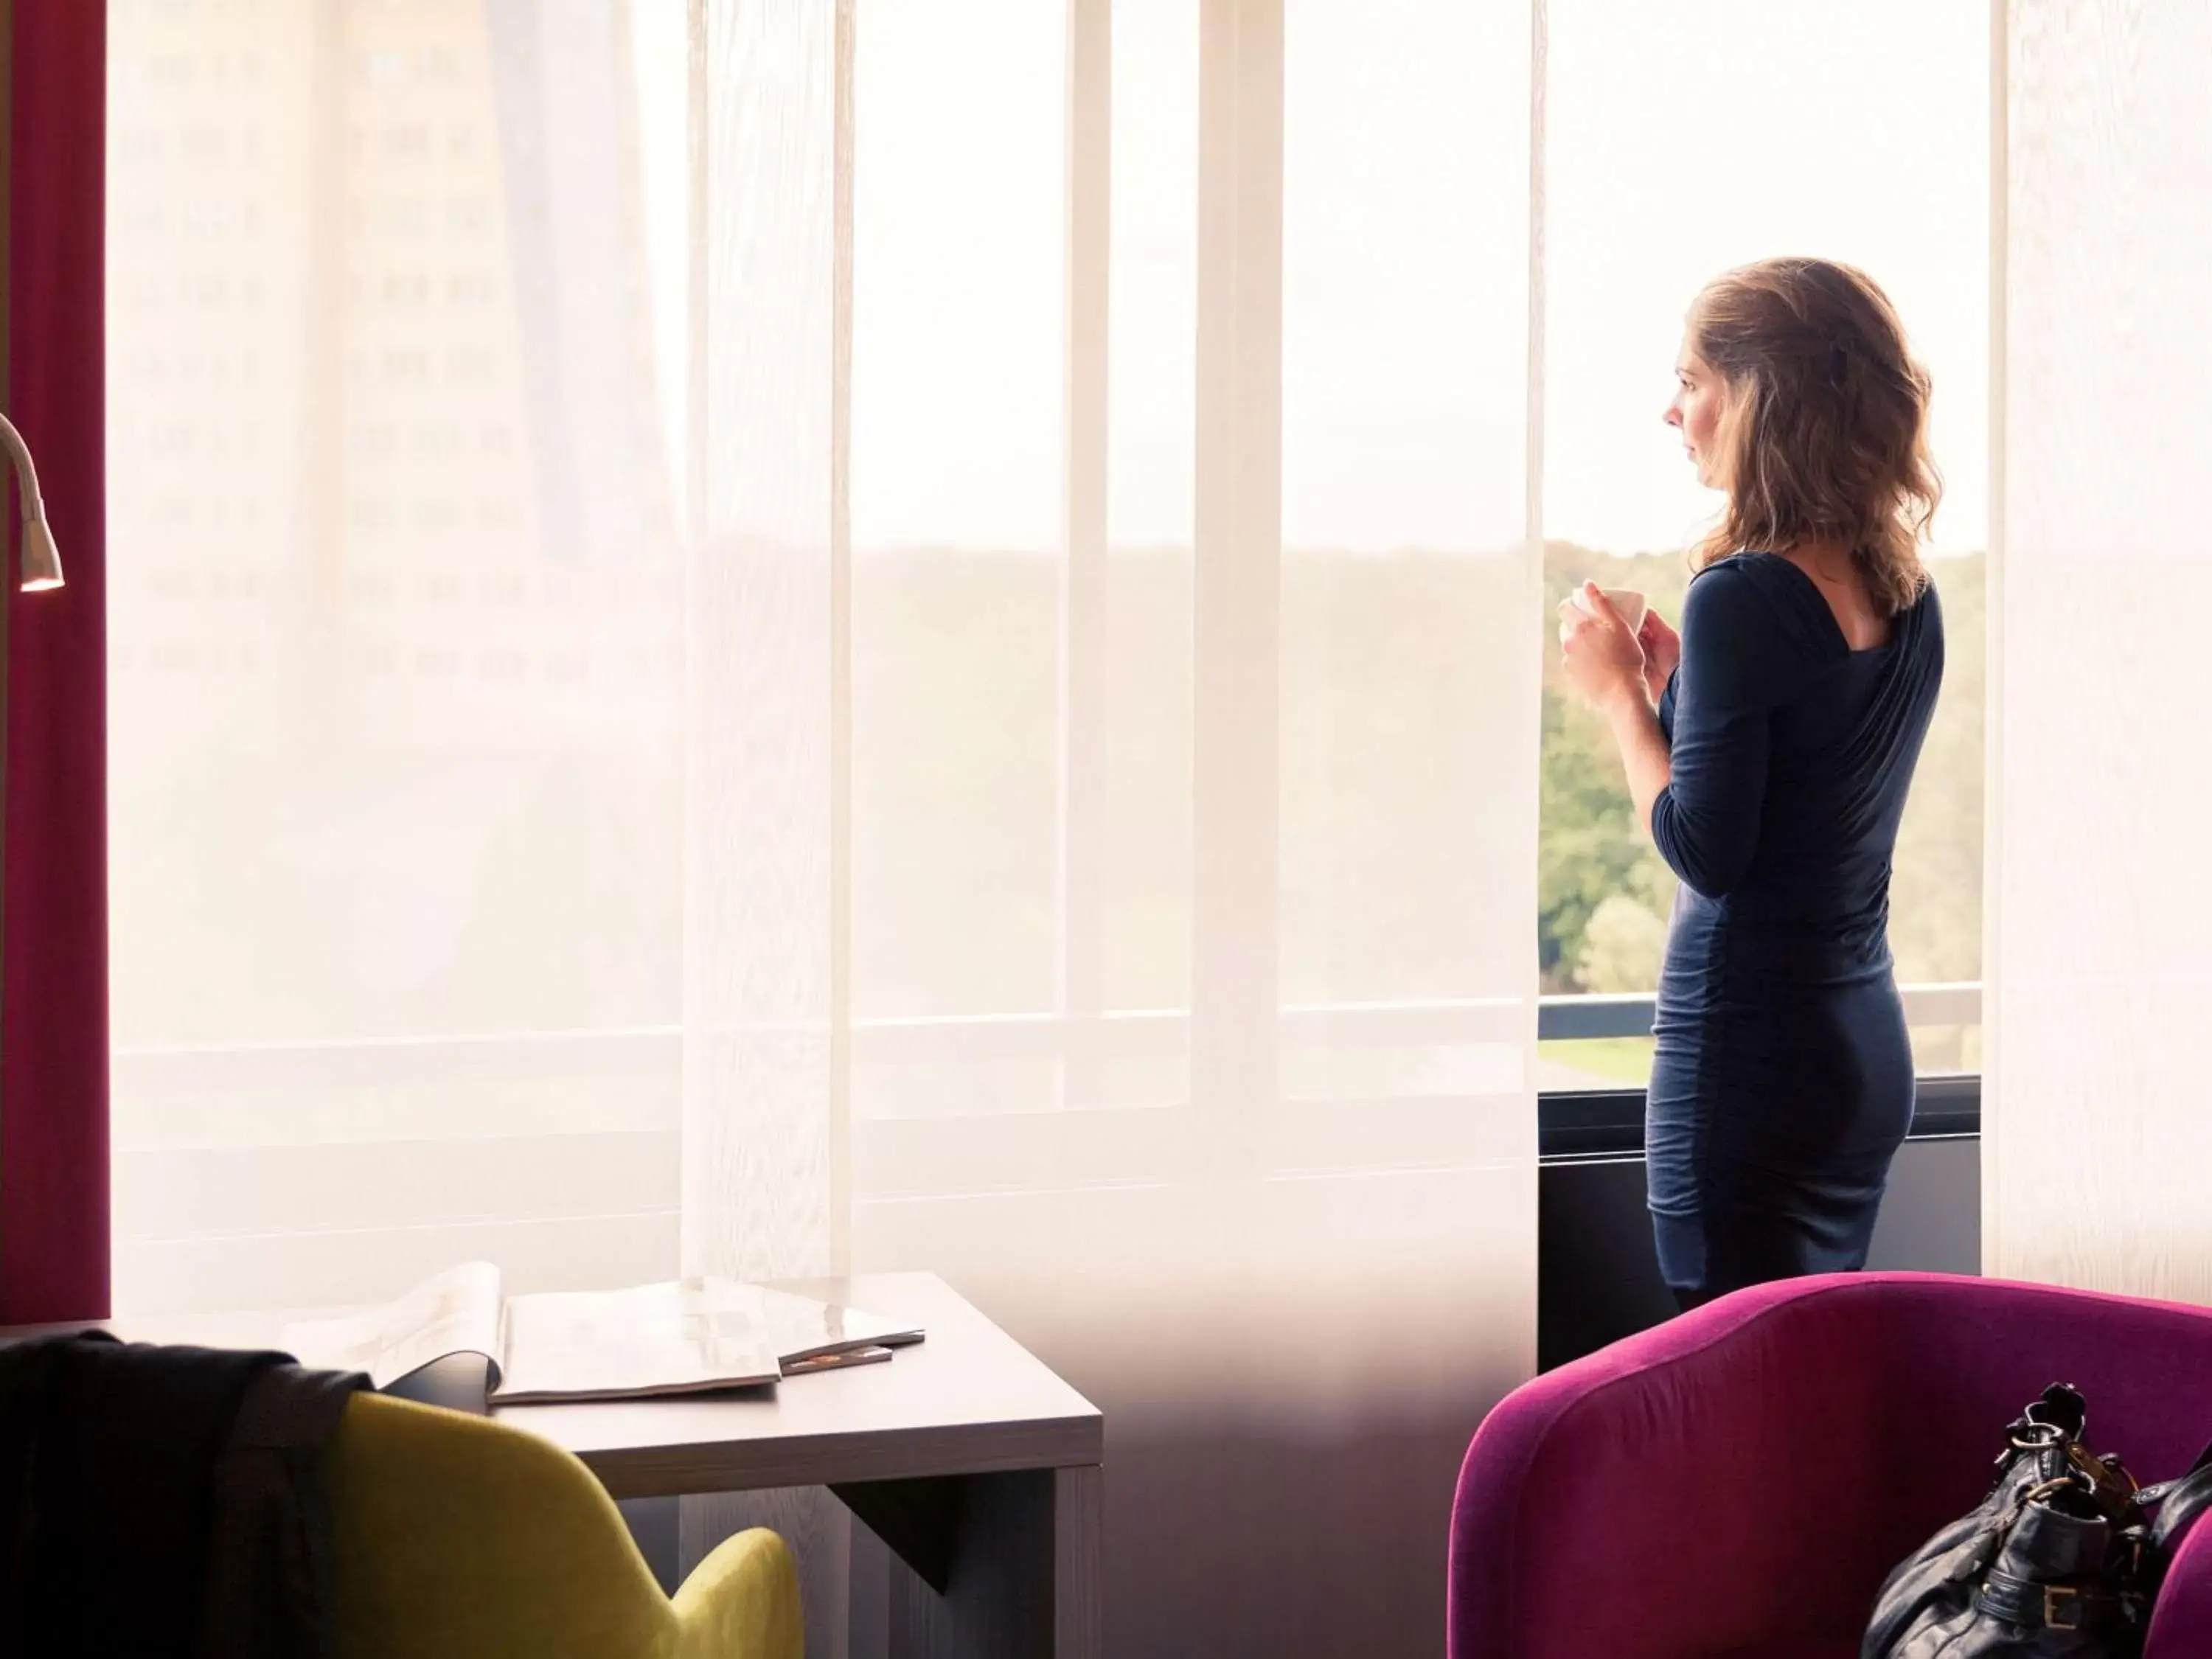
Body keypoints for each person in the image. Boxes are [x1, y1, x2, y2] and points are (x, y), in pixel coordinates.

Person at [1557, 257, 1945, 1312]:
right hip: (1859, 1050)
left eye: (1689, 379)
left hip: (1748, 1060)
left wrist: (1620, 700)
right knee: (1800, 1384)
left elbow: (1708, 847)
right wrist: (1687, 678)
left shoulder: (1742, 594)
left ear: (1758, 392)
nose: (1671, 408)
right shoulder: (1907, 594)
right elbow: (1817, 774)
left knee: (1732, 1401)